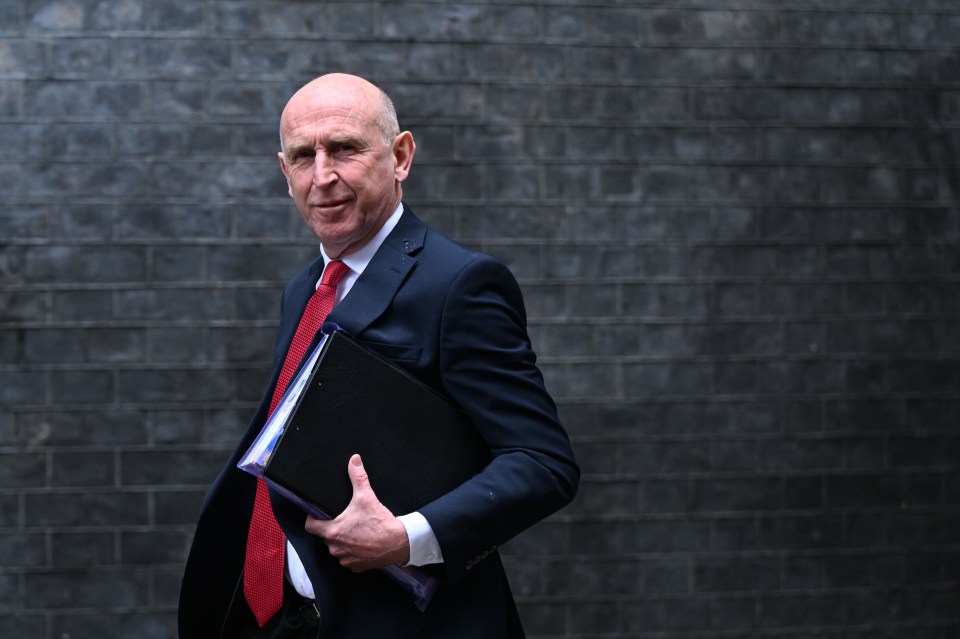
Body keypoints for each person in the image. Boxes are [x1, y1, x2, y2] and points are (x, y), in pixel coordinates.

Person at [178, 73, 579, 638]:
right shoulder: (305, 289)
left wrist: (407, 538)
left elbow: (543, 464)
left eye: (344, 148)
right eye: (302, 156)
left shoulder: (459, 284)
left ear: (400, 156)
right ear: (284, 171)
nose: (323, 176)